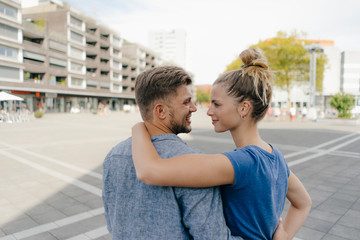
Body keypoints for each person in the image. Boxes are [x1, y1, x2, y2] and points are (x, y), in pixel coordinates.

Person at [132, 48, 312, 240]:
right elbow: (304, 203)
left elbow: (149, 171)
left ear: (244, 108)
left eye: (216, 104)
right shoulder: (275, 157)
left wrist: (138, 127)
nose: (209, 111)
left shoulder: (240, 163)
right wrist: (284, 236)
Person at [104, 66, 259, 239]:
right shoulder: (194, 164)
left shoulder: (113, 157)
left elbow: (113, 222)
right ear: (161, 111)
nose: (194, 108)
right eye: (186, 102)